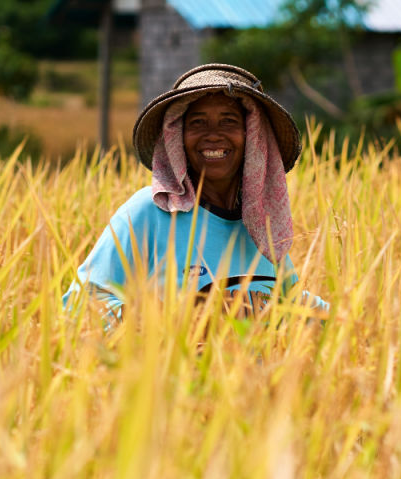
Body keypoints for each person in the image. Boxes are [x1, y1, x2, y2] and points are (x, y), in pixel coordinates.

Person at [64, 63, 328, 320]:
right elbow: (80, 302)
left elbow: (294, 305)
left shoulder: (263, 224)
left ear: (252, 137)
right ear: (177, 138)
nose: (213, 135)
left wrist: (355, 322)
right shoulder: (151, 211)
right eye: (198, 123)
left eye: (228, 121)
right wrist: (173, 322)